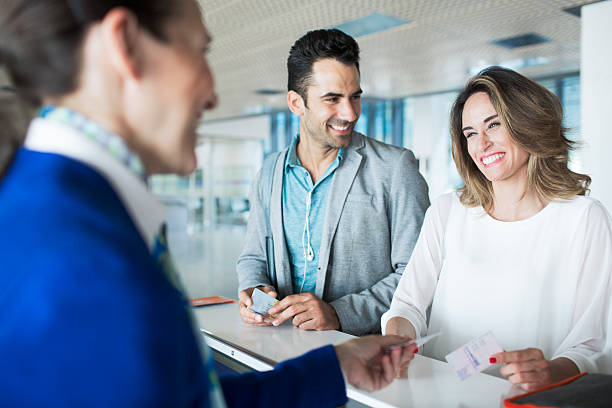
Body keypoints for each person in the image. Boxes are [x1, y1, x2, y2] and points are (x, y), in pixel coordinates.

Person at [0, 1, 417, 407]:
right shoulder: (76, 256)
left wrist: (335, 368)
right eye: (198, 51)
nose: (213, 95)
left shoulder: (64, 216)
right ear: (124, 44)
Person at [382, 66, 612, 391]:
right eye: (470, 133)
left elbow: (593, 343)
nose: (482, 144)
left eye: (494, 124)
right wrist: (396, 338)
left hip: (525, 399)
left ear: (527, 123)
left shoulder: (584, 218)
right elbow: (407, 305)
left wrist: (550, 371)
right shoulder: (448, 211)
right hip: (440, 394)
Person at [236, 29, 430, 335]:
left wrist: (340, 314)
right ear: (296, 103)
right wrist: (254, 289)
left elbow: (419, 275)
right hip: (281, 349)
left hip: (361, 359)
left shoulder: (396, 169)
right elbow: (254, 256)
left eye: (355, 97)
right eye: (333, 99)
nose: (350, 113)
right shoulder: (269, 172)